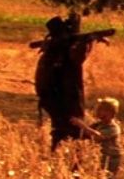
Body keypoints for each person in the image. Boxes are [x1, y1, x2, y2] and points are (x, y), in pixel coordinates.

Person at [33, 14, 96, 151]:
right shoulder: (66, 51)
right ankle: (73, 167)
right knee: (76, 135)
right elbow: (78, 58)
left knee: (60, 132)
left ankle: (57, 160)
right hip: (67, 100)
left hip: (51, 99)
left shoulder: (51, 50)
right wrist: (88, 43)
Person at [74, 97, 123, 179]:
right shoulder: (97, 125)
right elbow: (86, 133)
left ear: (112, 113)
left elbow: (97, 136)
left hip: (112, 158)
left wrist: (81, 125)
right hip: (100, 157)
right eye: (99, 109)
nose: (100, 112)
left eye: (104, 110)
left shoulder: (113, 128)